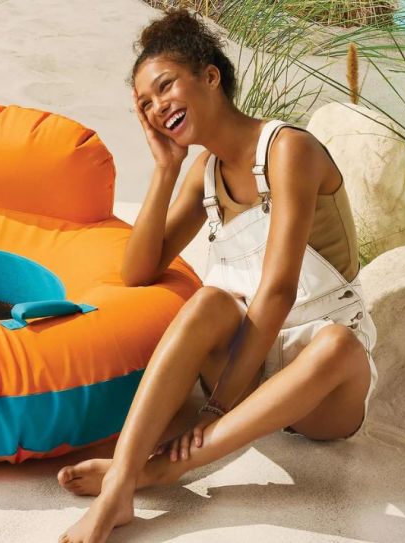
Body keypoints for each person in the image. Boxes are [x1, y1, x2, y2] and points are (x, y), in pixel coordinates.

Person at [56, 9, 378, 543]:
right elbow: (137, 270)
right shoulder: (201, 172)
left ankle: (148, 474)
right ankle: (120, 490)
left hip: (318, 389)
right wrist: (163, 169)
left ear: (210, 76)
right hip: (247, 366)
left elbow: (276, 291)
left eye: (165, 88)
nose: (158, 108)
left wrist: (216, 407)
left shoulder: (287, 148)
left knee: (340, 345)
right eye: (145, 105)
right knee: (208, 301)